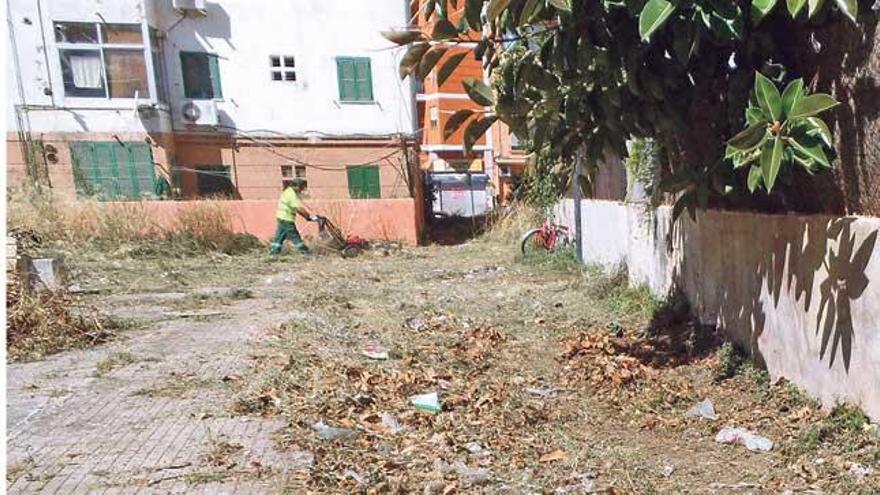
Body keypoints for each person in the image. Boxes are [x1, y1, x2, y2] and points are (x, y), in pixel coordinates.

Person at [270, 177, 318, 255]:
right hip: (286, 219)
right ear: (297, 186)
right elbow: (299, 209)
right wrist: (308, 217)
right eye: (302, 187)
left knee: (279, 237)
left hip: (281, 217)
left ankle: (273, 253)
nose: (302, 190)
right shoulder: (291, 194)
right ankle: (306, 253)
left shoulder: (287, 192)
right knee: (295, 237)